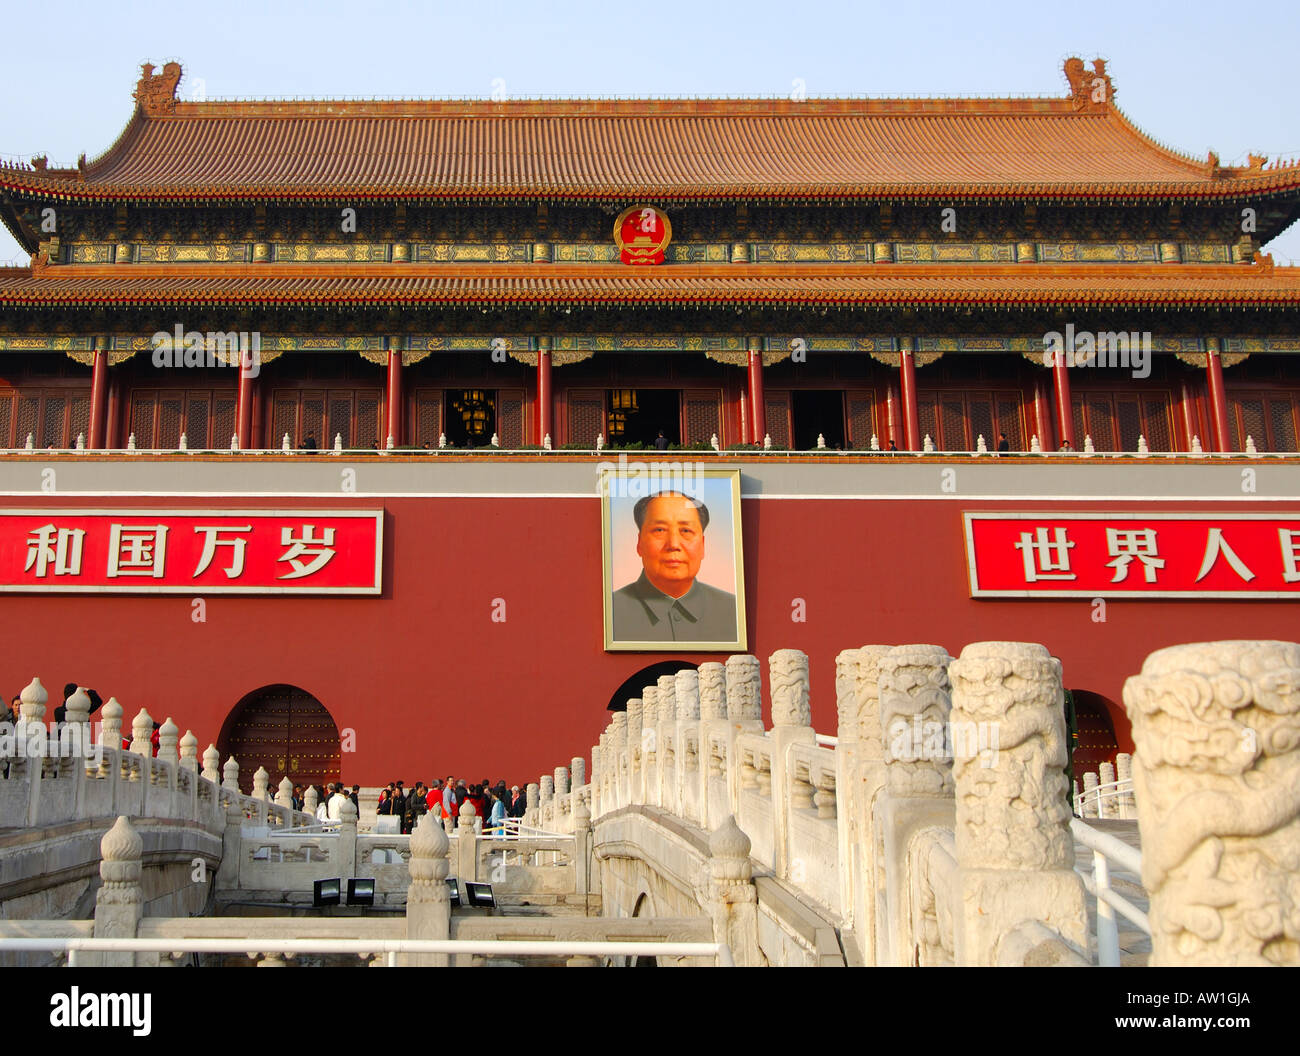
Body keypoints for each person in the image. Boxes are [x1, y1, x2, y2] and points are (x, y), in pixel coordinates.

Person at [611, 490, 737, 643]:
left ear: (703, 545)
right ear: (639, 543)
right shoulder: (611, 611)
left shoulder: (733, 611)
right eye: (659, 530)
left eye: (686, 531)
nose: (674, 544)